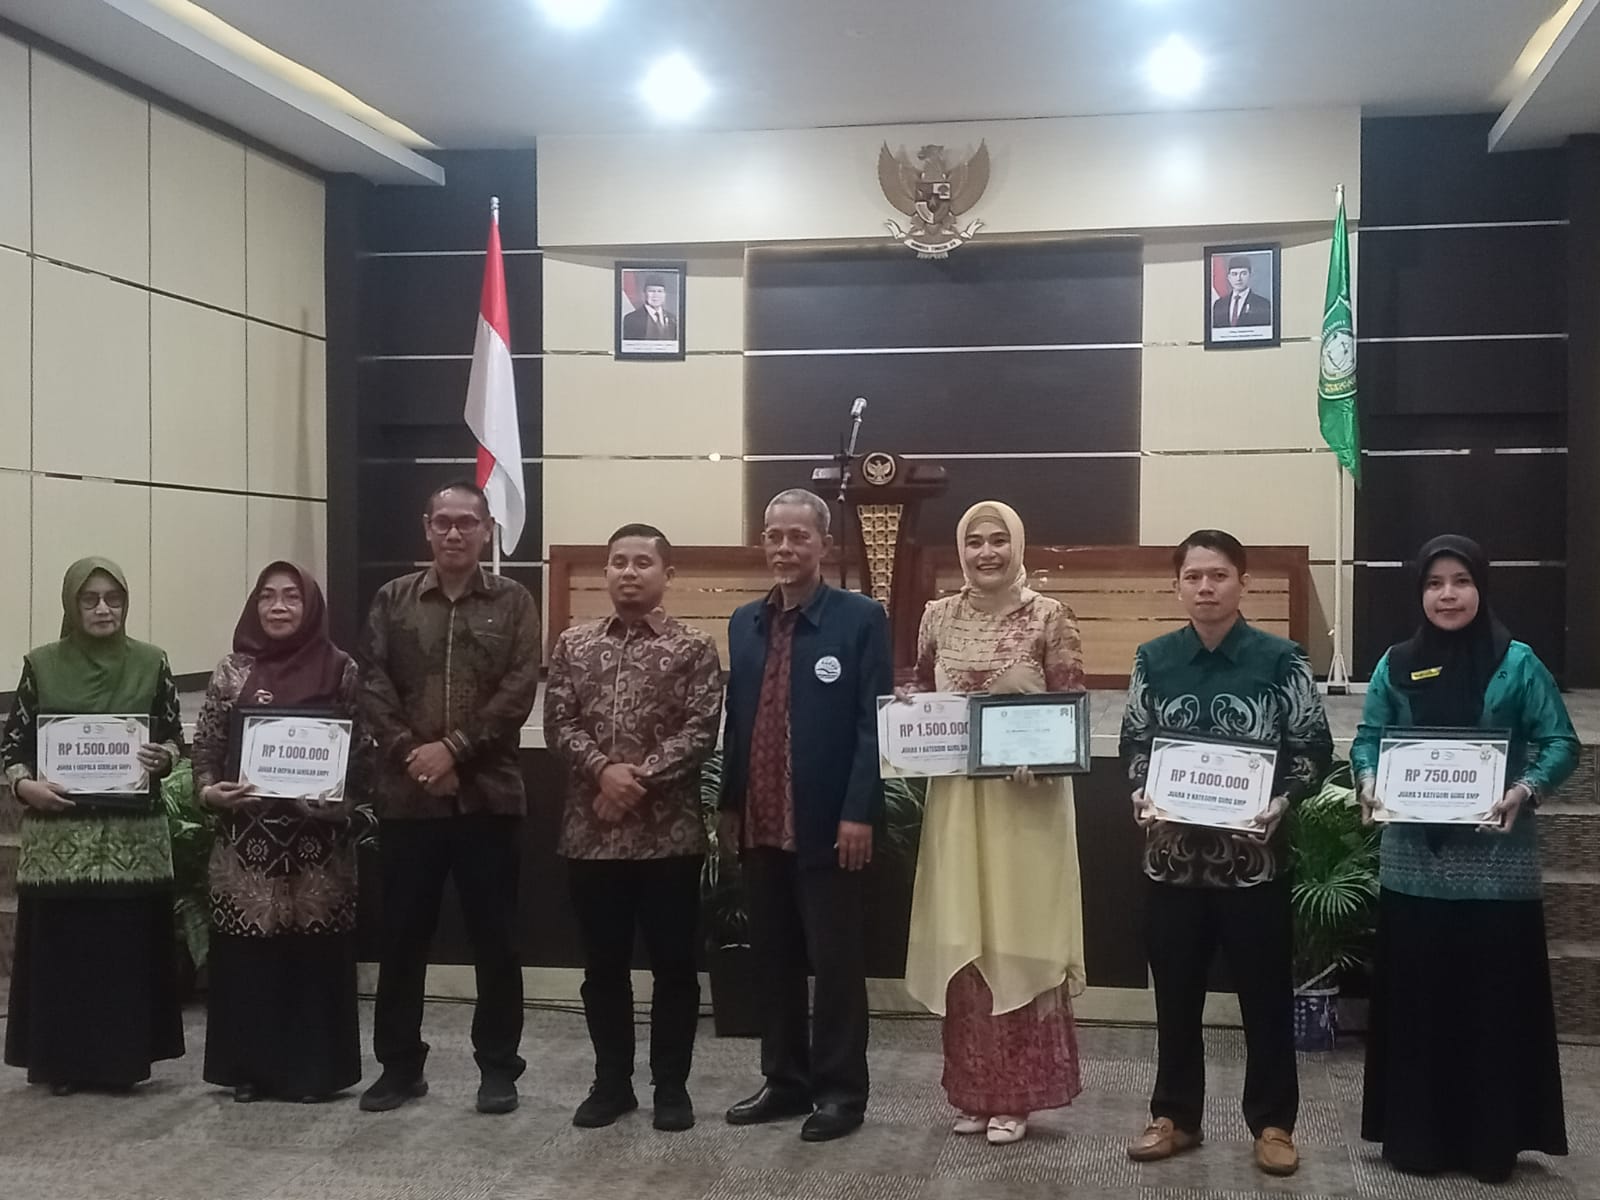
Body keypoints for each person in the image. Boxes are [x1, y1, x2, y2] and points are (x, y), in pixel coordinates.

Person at [1352, 535, 1576, 1184]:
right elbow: (1368, 739)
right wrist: (1368, 780)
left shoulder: (1518, 663)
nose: (1447, 595)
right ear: (1419, 593)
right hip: (1413, 866)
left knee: (1492, 1007)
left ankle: (1490, 1144)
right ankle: (1417, 1140)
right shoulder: (1396, 663)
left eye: (1460, 582)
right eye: (1433, 584)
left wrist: (1525, 790)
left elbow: (1560, 742)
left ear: (1481, 587)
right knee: (1419, 1006)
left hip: (1496, 868)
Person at [1119, 530, 1332, 1177]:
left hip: (1254, 865)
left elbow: (1313, 750)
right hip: (1172, 864)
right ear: (1177, 586)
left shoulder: (1281, 659)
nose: (1205, 588)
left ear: (1243, 582)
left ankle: (1273, 1123)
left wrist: (1282, 801)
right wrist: (1140, 789)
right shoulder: (1155, 658)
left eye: (1218, 576)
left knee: (1265, 1001)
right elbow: (1135, 743)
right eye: (1193, 577)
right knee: (1175, 998)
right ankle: (1175, 1116)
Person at [901, 501, 1087, 1146]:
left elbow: (1070, 708)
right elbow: (923, 692)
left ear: (1018, 545)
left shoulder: (1049, 616)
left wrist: (1044, 757)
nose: (987, 552)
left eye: (998, 540)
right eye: (975, 541)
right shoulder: (936, 617)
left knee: (1019, 933)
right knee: (966, 932)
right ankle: (976, 1093)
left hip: (1025, 805)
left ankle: (1019, 1097)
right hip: (958, 805)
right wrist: (909, 716)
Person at [357, 481, 542, 1116]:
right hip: (408, 800)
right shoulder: (393, 600)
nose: (455, 532)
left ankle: (499, 1069)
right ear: (427, 528)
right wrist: (418, 756)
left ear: (487, 530)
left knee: (496, 942)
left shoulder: (514, 602)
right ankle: (399, 1067)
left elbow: (518, 691)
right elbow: (373, 684)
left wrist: (454, 751)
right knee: (402, 940)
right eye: (443, 522)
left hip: (488, 800)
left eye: (467, 522)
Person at [720, 487, 892, 1142]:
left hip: (828, 824)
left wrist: (859, 811)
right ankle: (785, 1081)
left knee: (837, 966)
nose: (785, 547)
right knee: (775, 961)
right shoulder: (745, 621)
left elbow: (873, 723)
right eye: (775, 535)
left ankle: (842, 1092)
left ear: (825, 544)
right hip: (762, 820)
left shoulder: (860, 618)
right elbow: (739, 722)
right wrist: (730, 803)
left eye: (799, 536)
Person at [545, 523, 723, 1133]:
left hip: (668, 838)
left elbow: (700, 731)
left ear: (666, 574)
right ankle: (612, 1084)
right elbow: (559, 725)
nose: (628, 572)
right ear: (606, 571)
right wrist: (603, 772)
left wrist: (633, 781)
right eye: (618, 561)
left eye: (642, 562)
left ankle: (671, 1087)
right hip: (590, 837)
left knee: (674, 969)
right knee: (603, 970)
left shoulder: (694, 647)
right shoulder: (574, 644)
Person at [1, 557, 185, 1093]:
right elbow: (13, 749)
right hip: (61, 843)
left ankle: (122, 1063)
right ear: (72, 605)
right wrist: (25, 787)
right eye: (90, 599)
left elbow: (173, 736)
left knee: (122, 953)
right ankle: (62, 1065)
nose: (104, 609)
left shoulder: (151, 662)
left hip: (132, 844)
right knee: (67, 953)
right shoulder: (42, 665)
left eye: (113, 598)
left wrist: (165, 757)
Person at [195, 562, 372, 1103]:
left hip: (319, 854)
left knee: (314, 963)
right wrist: (210, 792)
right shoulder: (232, 672)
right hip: (246, 854)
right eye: (267, 596)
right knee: (250, 963)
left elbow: (363, 757)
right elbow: (205, 749)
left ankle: (313, 1074)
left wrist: (339, 804)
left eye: (291, 597)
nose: (278, 607)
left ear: (310, 605)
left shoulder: (341, 669)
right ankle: (250, 1071)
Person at [1210, 255, 1273, 329]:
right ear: (1229, 277)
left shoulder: (1263, 305)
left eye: (1243, 273)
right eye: (1234, 274)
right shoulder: (1219, 305)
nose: (1239, 278)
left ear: (1250, 275)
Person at [622, 277, 678, 341]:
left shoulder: (672, 318)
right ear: (644, 293)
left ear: (664, 294)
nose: (656, 295)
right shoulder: (631, 319)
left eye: (660, 291)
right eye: (651, 291)